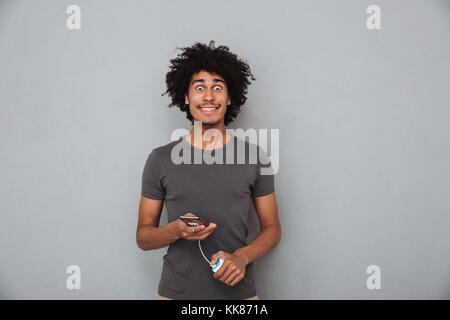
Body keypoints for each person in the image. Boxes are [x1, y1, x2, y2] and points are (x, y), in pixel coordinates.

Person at [136, 41, 281, 300]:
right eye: (199, 87)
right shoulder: (160, 159)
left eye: (217, 87)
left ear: (229, 97)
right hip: (175, 294)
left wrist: (242, 257)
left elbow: (272, 228)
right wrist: (175, 231)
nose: (209, 96)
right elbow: (143, 237)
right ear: (186, 97)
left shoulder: (255, 157)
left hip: (240, 296)